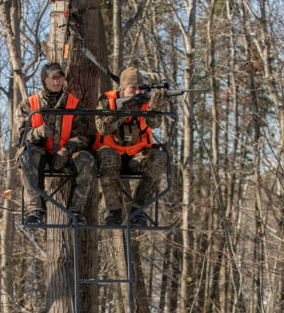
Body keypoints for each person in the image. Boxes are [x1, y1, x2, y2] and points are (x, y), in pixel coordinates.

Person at [14, 63, 96, 225]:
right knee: (27, 156)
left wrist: (66, 150)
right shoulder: (29, 105)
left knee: (87, 159)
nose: (57, 82)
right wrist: (38, 132)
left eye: (60, 78)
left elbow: (83, 136)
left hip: (66, 155)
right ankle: (35, 210)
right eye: (53, 78)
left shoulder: (74, 104)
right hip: (40, 155)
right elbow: (20, 137)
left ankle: (76, 211)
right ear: (44, 80)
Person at [93, 67, 170, 226]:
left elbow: (154, 124)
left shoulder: (146, 103)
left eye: (140, 88)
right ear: (122, 89)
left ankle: (138, 212)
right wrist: (125, 110)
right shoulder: (107, 101)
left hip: (137, 154)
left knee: (159, 157)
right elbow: (103, 128)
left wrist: (155, 109)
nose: (137, 92)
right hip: (111, 154)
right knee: (108, 156)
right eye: (132, 88)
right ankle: (114, 212)